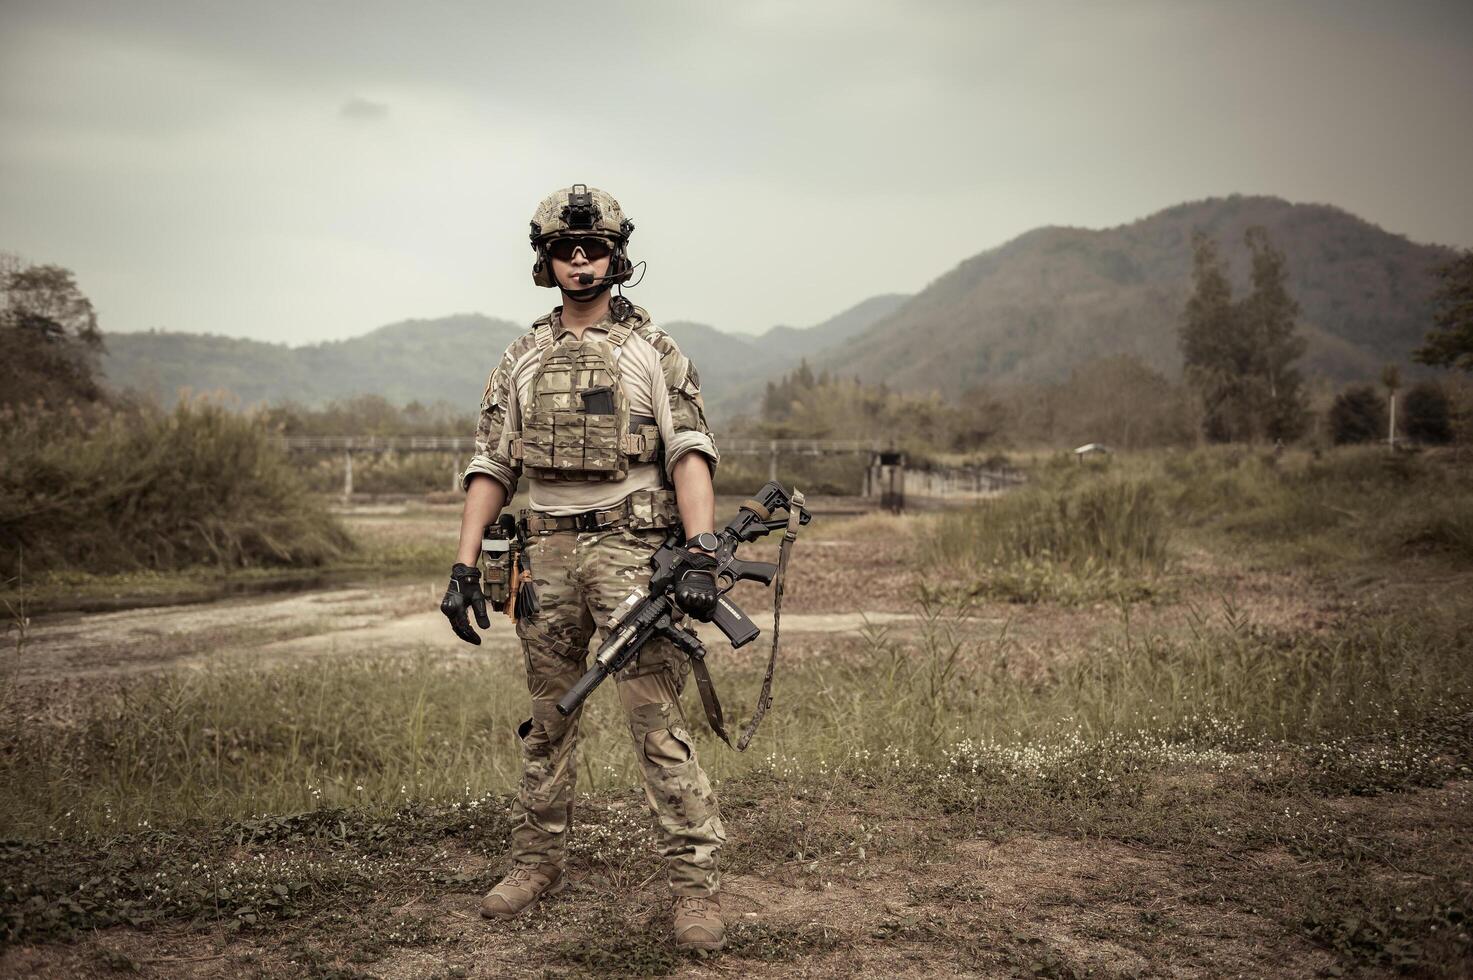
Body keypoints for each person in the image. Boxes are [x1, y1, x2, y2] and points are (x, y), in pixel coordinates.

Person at [440, 184, 728, 952]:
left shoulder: (652, 351)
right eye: (564, 250)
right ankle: (537, 863)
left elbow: (689, 453)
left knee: (654, 719)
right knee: (548, 718)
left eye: (592, 248)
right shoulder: (523, 356)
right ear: (546, 260)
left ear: (615, 255)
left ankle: (694, 888)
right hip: (545, 555)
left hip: (633, 552)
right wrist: (464, 565)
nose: (578, 261)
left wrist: (698, 549)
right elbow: (491, 462)